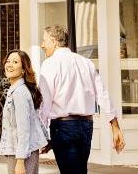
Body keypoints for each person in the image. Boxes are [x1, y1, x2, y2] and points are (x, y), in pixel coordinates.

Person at [38, 25, 125, 174]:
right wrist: (115, 126)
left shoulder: (49, 64)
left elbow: (45, 103)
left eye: (44, 40)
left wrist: (42, 135)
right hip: (86, 126)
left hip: (63, 127)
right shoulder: (86, 62)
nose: (42, 45)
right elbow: (102, 94)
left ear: (53, 41)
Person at [0, 50, 48, 174]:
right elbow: (34, 118)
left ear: (23, 70)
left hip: (21, 153)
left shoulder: (20, 93)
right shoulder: (16, 90)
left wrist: (20, 161)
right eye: (8, 61)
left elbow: (24, 129)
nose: (9, 64)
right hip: (20, 151)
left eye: (15, 62)